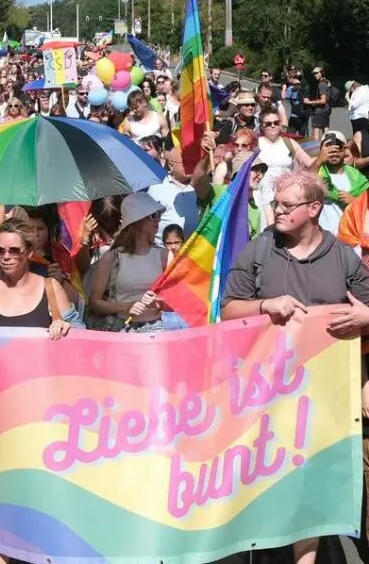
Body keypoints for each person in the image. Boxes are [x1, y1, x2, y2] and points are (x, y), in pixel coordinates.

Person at [221, 171, 369, 564]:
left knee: (311, 481)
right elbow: (228, 311)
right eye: (277, 203)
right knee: (272, 484)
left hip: (325, 397)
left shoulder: (342, 256)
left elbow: (368, 308)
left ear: (314, 209)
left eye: (287, 206)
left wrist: (365, 317)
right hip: (267, 394)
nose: (277, 211)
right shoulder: (259, 250)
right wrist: (264, 305)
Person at [0, 218, 83, 339]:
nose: (6, 257)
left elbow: (80, 333)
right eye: (0, 250)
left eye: (14, 250)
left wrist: (65, 327)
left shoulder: (50, 288)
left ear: (29, 252)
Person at [87, 192, 168, 333]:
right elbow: (94, 302)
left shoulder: (164, 255)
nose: (158, 220)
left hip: (156, 328)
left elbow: (175, 302)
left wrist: (159, 302)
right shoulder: (111, 257)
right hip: (122, 328)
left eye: (159, 214)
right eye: (153, 215)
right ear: (137, 221)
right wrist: (126, 307)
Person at [147, 147, 199, 245]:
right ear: (171, 165)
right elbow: (148, 220)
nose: (190, 165)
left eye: (192, 161)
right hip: (162, 250)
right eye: (184, 162)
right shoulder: (157, 188)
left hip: (192, 252)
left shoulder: (199, 188)